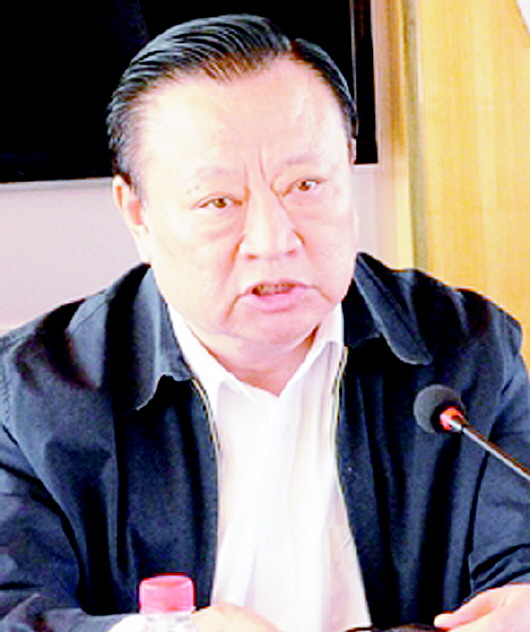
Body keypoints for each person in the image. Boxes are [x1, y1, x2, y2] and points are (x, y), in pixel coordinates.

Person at [1, 13, 530, 632]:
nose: (273, 240)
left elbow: (520, 560)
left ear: (348, 166)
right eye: (219, 202)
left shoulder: (467, 350)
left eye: (305, 184)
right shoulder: (33, 398)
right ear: (137, 212)